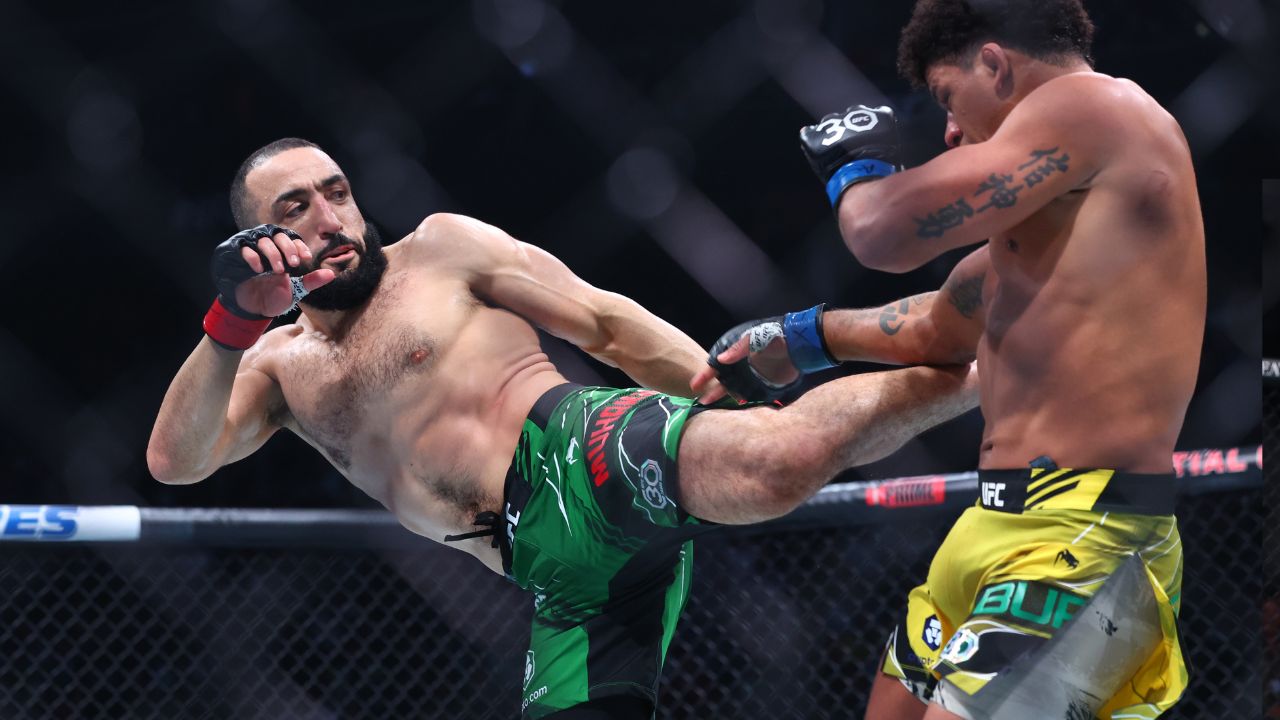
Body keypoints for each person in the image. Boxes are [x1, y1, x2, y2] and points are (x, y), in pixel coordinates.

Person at [146, 138, 978, 719]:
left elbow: (604, 324)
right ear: (258, 240)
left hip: (580, 450)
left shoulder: (440, 250)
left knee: (777, 462)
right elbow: (175, 462)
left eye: (337, 192)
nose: (330, 217)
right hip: (554, 577)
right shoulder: (273, 365)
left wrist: (727, 398)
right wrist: (232, 322)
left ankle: (989, 367)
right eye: (297, 207)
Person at [692, 1, 1204, 718]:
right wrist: (795, 337)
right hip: (991, 524)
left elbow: (882, 232)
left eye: (946, 97)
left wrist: (855, 166)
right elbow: (940, 328)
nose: (951, 130)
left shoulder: (1095, 105)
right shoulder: (1058, 228)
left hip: (1085, 534)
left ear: (994, 65)